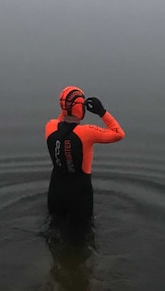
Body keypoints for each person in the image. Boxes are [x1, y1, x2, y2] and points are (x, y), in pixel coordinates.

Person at [45, 86, 125, 228]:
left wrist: (68, 105)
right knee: (82, 234)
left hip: (56, 190)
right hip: (80, 193)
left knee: (54, 229)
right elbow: (118, 134)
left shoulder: (50, 126)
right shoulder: (87, 132)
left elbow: (61, 121)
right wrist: (102, 112)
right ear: (80, 108)